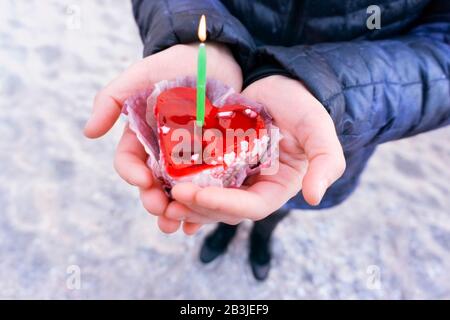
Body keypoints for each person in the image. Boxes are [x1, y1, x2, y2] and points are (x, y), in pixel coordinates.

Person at [84, 0, 450, 280]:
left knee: (284, 201)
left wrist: (333, 89)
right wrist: (190, 27)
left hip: (337, 117)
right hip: (234, 57)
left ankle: (263, 236)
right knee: (217, 202)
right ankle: (224, 234)